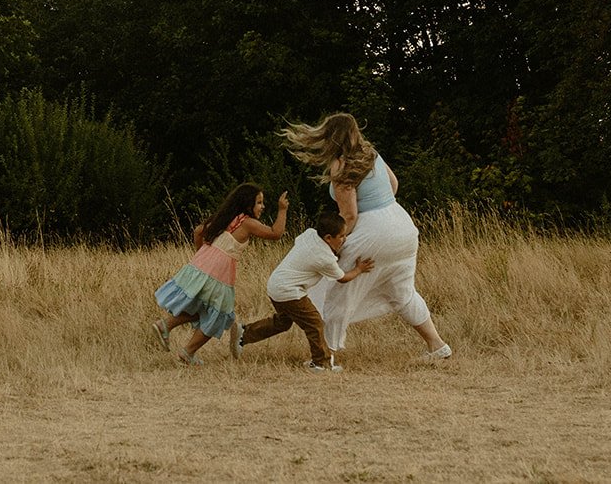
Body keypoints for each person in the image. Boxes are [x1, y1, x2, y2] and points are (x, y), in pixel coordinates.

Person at [282, 113, 452, 361]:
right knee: (402, 292)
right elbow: (394, 185)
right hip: (401, 225)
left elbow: (349, 215)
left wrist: (334, 247)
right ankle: (437, 346)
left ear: (331, 137)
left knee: (338, 290)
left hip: (373, 232)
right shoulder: (371, 154)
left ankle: (325, 356)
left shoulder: (341, 165)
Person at [152, 182, 289, 365]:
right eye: (259, 202)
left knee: (202, 307)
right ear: (247, 204)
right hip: (219, 271)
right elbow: (276, 233)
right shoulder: (247, 223)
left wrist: (203, 255)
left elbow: (198, 231)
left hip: (203, 264)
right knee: (219, 315)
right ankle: (187, 352)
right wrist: (282, 209)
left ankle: (166, 326)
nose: (262, 206)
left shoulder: (226, 218)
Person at [235, 210, 375, 371]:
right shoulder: (325, 258)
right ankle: (320, 363)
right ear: (328, 238)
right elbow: (342, 278)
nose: (345, 239)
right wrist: (359, 269)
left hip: (275, 285)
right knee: (315, 323)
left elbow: (303, 245)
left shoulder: (310, 234)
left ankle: (244, 334)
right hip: (289, 291)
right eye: (342, 236)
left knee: (283, 322)